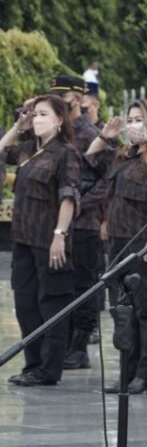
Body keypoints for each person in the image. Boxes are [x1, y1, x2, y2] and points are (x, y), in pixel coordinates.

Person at [95, 100, 147, 394]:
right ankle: (126, 372)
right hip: (119, 243)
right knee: (123, 312)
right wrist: (106, 136)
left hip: (145, 243)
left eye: (139, 119)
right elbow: (91, 161)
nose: (133, 125)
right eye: (130, 119)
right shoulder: (124, 156)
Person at [0, 95, 81, 386]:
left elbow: (69, 195)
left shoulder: (65, 153)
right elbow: (1, 150)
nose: (37, 119)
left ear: (59, 120)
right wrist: (18, 126)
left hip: (49, 240)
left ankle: (49, 370)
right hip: (23, 239)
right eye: (35, 114)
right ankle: (32, 365)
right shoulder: (28, 150)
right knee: (25, 304)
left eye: (44, 114)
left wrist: (60, 234)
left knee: (52, 305)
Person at [45, 75, 103, 369]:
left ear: (78, 99)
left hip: (84, 224)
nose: (58, 101)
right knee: (62, 286)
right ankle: (63, 343)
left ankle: (79, 348)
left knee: (83, 286)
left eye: (63, 96)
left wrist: (80, 204)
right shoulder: (58, 133)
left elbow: (108, 179)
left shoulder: (90, 134)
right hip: (58, 222)